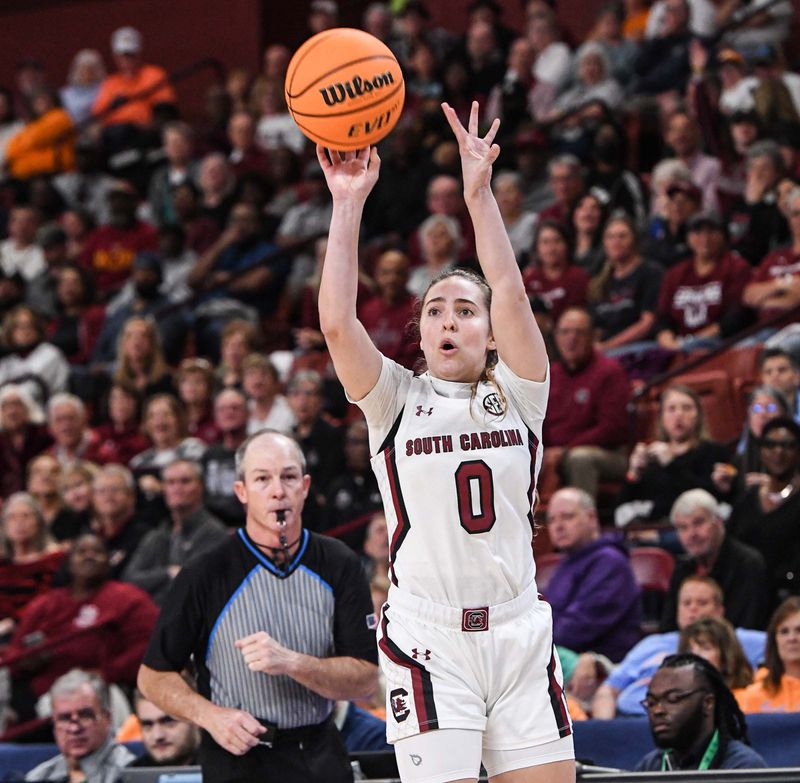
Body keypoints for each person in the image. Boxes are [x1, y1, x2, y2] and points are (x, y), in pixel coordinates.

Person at [316, 101, 575, 781]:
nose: (451, 320)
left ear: (489, 332)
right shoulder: (395, 399)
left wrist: (479, 194)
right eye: (436, 310)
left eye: (467, 309)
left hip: (519, 631)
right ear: (421, 333)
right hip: (430, 640)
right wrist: (347, 202)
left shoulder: (522, 391)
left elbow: (513, 293)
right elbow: (338, 326)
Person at [138, 430, 379, 783]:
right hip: (238, 759)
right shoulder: (205, 572)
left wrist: (293, 663)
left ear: (306, 486)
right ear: (242, 492)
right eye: (262, 479)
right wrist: (210, 716)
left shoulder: (339, 562)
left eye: (289, 476)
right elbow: (152, 676)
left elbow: (364, 680)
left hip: (319, 753)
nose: (278, 490)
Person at [6, 534, 158, 719]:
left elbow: (148, 646)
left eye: (97, 552)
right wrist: (28, 662)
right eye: (81, 552)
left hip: (105, 690)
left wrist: (107, 672)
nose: (89, 556)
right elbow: (14, 654)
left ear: (108, 561)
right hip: (43, 694)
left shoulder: (129, 598)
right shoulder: (45, 604)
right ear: (69, 562)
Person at [591, 576, 767, 718]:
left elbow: (787, 644)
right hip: (632, 720)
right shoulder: (652, 644)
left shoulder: (736, 639)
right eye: (686, 603)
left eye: (701, 603)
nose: (693, 610)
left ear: (720, 610)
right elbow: (608, 691)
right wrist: (607, 729)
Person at [542, 306, 630, 499]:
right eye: (565, 332)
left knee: (580, 458)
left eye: (579, 332)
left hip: (606, 453)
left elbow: (612, 428)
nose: (571, 339)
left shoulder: (609, 372)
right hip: (554, 453)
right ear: (556, 337)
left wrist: (566, 449)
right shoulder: (550, 374)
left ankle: (581, 521)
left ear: (592, 337)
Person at [616, 384, 730, 531]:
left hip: (695, 529)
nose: (679, 415)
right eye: (671, 409)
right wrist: (633, 474)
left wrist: (671, 463)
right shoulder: (652, 456)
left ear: (698, 415)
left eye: (687, 408)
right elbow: (620, 514)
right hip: (655, 527)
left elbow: (703, 499)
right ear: (662, 417)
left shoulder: (713, 451)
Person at [545, 487, 641, 661]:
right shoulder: (566, 562)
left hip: (601, 665)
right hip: (559, 655)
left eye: (567, 517)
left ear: (591, 518)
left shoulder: (610, 562)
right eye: (551, 520)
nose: (558, 526)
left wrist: (536, 641)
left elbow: (579, 627)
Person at [635, 654, 766, 771]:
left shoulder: (741, 767)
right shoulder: (649, 766)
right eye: (651, 702)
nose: (658, 710)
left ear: (708, 703)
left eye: (673, 699)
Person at [661, 490, 768, 632]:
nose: (692, 534)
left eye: (698, 523)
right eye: (683, 528)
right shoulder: (682, 569)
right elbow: (668, 628)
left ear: (718, 521)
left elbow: (747, 627)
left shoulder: (747, 564)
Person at [123, 458, 227, 604]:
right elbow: (129, 580)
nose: (177, 488)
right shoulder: (158, 533)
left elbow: (192, 583)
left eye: (185, 481)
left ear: (201, 486)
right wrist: (169, 573)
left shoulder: (213, 533)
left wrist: (154, 580)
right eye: (170, 482)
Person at [727, 417, 800, 609]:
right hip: (748, 596)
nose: (778, 452)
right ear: (760, 451)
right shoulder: (746, 500)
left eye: (788, 445)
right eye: (770, 445)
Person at [24, 670, 136, 783]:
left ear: (107, 718)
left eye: (85, 716)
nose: (74, 729)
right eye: (64, 718)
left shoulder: (131, 772)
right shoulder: (39, 777)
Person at [736, 596, 800, 713]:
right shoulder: (752, 695)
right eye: (784, 632)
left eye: (799, 630)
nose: (792, 638)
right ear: (774, 641)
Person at [127, 688, 202, 767]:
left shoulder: (215, 769)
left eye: (168, 722)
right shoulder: (131, 775)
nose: (158, 735)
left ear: (195, 721)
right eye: (147, 725)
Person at [678, 617, 755, 692]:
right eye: (690, 649)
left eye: (705, 648)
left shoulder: (747, 696)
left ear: (725, 656)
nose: (694, 655)